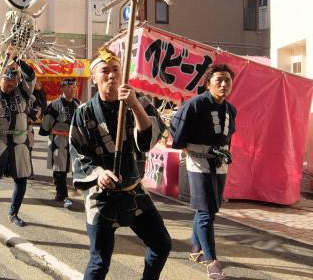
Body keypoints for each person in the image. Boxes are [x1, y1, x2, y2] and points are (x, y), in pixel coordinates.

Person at [69, 47, 170, 280]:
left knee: (161, 244)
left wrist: (134, 105)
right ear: (94, 78)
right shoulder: (83, 114)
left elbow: (146, 142)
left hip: (133, 191)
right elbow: (78, 154)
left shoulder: (139, 102)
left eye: (116, 69)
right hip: (101, 194)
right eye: (104, 70)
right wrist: (98, 173)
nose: (111, 75)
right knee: (99, 262)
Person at [170, 64, 237, 280]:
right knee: (207, 211)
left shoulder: (230, 109)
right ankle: (212, 261)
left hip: (219, 163)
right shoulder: (194, 105)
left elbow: (229, 136)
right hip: (199, 162)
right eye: (219, 80)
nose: (224, 84)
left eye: (227, 80)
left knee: (209, 209)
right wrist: (187, 149)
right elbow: (177, 131)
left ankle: (195, 249)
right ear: (208, 83)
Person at [0, 46, 36, 228]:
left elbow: (31, 76)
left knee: (21, 178)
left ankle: (14, 213)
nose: (11, 84)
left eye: (14, 81)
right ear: (0, 80)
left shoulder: (23, 92)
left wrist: (16, 59)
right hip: (1, 141)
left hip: (20, 141)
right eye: (7, 81)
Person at [39, 78, 80, 209]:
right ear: (62, 89)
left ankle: (77, 191)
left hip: (74, 141)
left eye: (73, 87)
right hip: (59, 140)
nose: (72, 89)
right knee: (60, 169)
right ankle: (62, 195)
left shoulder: (77, 104)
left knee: (75, 168)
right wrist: (47, 132)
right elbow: (46, 124)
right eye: (68, 87)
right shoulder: (54, 105)